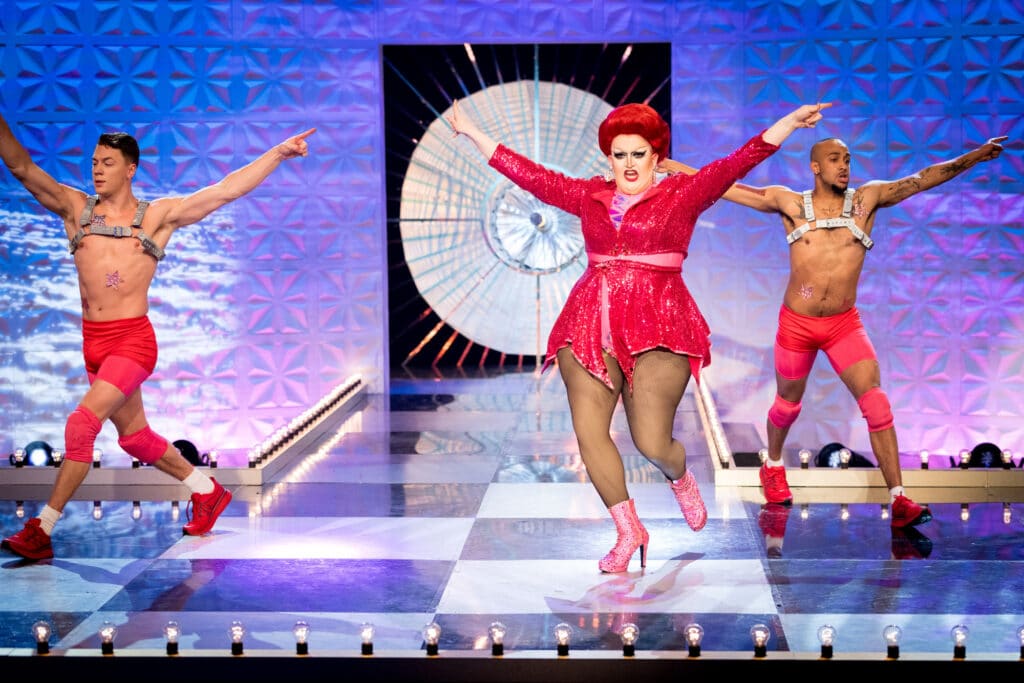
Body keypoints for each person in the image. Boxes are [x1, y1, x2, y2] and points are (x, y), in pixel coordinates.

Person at [446, 98, 830, 572]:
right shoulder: (589, 195)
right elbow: (533, 177)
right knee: (589, 432)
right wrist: (474, 133)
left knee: (650, 440)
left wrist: (789, 122)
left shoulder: (684, 193)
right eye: (619, 154)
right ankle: (629, 529)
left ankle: (680, 476)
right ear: (609, 158)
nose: (628, 164)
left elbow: (742, 158)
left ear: (656, 155)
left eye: (638, 153)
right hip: (590, 321)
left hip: (662, 323)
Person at [0, 112, 315, 560]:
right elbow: (22, 168)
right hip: (94, 343)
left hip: (133, 343)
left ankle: (42, 528)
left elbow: (225, 190)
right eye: (94, 162)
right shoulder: (75, 208)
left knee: (82, 425)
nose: (97, 169)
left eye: (107, 162)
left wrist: (279, 153)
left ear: (130, 169)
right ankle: (206, 490)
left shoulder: (157, 217)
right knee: (134, 438)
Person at [660, 134, 1007, 528]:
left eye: (847, 159)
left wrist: (975, 156)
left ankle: (900, 499)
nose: (844, 165)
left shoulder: (867, 200)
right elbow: (729, 187)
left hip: (844, 325)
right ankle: (772, 465)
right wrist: (677, 169)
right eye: (834, 159)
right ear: (815, 167)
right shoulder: (789, 202)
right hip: (796, 325)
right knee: (787, 406)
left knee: (877, 405)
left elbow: (922, 178)